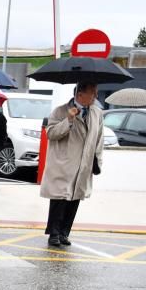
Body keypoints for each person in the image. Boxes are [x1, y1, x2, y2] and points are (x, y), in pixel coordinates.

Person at [40, 83, 104, 247]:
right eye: (93, 92)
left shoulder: (96, 113)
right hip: (64, 163)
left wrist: (97, 161)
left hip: (84, 163)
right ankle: (53, 233)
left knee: (75, 199)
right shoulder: (60, 111)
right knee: (60, 199)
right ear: (80, 94)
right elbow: (51, 133)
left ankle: (64, 233)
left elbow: (99, 140)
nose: (95, 96)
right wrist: (68, 119)